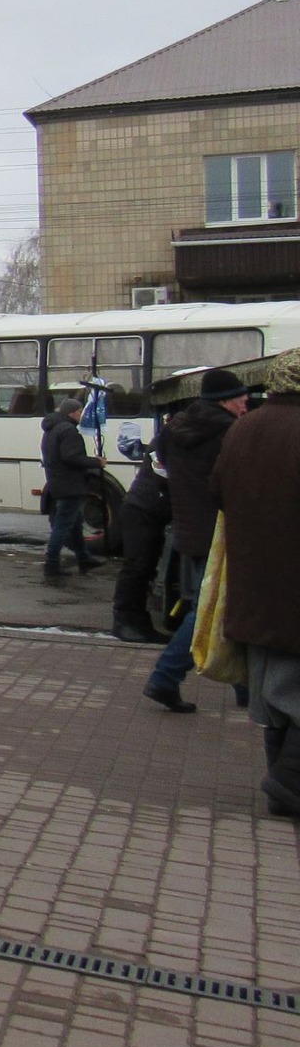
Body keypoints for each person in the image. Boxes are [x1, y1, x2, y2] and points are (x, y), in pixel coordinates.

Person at [209, 349, 300, 814]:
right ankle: (287, 785)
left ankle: (283, 788)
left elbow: (217, 493)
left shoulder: (245, 427)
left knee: (274, 697)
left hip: (254, 584)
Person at [144, 368, 248, 714]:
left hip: (188, 530)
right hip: (218, 533)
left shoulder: (176, 428)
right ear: (226, 401)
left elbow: (157, 460)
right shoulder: (229, 433)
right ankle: (165, 676)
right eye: (243, 400)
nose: (246, 406)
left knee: (218, 606)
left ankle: (245, 690)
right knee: (210, 610)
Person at [109, 427, 172, 644]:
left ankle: (139, 622)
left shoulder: (170, 437)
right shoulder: (166, 441)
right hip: (142, 510)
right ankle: (124, 621)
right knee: (136, 566)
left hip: (149, 510)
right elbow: (163, 474)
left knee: (144, 567)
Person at [40, 391, 103, 578]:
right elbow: (71, 457)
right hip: (69, 484)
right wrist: (96, 462)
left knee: (75, 523)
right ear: (72, 413)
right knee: (62, 526)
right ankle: (51, 564)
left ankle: (84, 558)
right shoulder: (68, 430)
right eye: (79, 411)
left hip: (58, 481)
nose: (81, 414)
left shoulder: (52, 428)